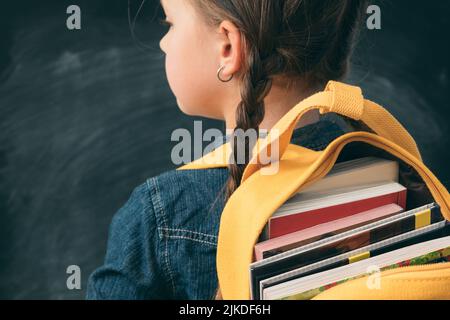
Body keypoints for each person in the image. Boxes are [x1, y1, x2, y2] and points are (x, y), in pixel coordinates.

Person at [86, 0, 368, 299]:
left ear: (228, 48)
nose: (163, 43)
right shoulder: (391, 166)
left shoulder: (161, 217)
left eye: (170, 24)